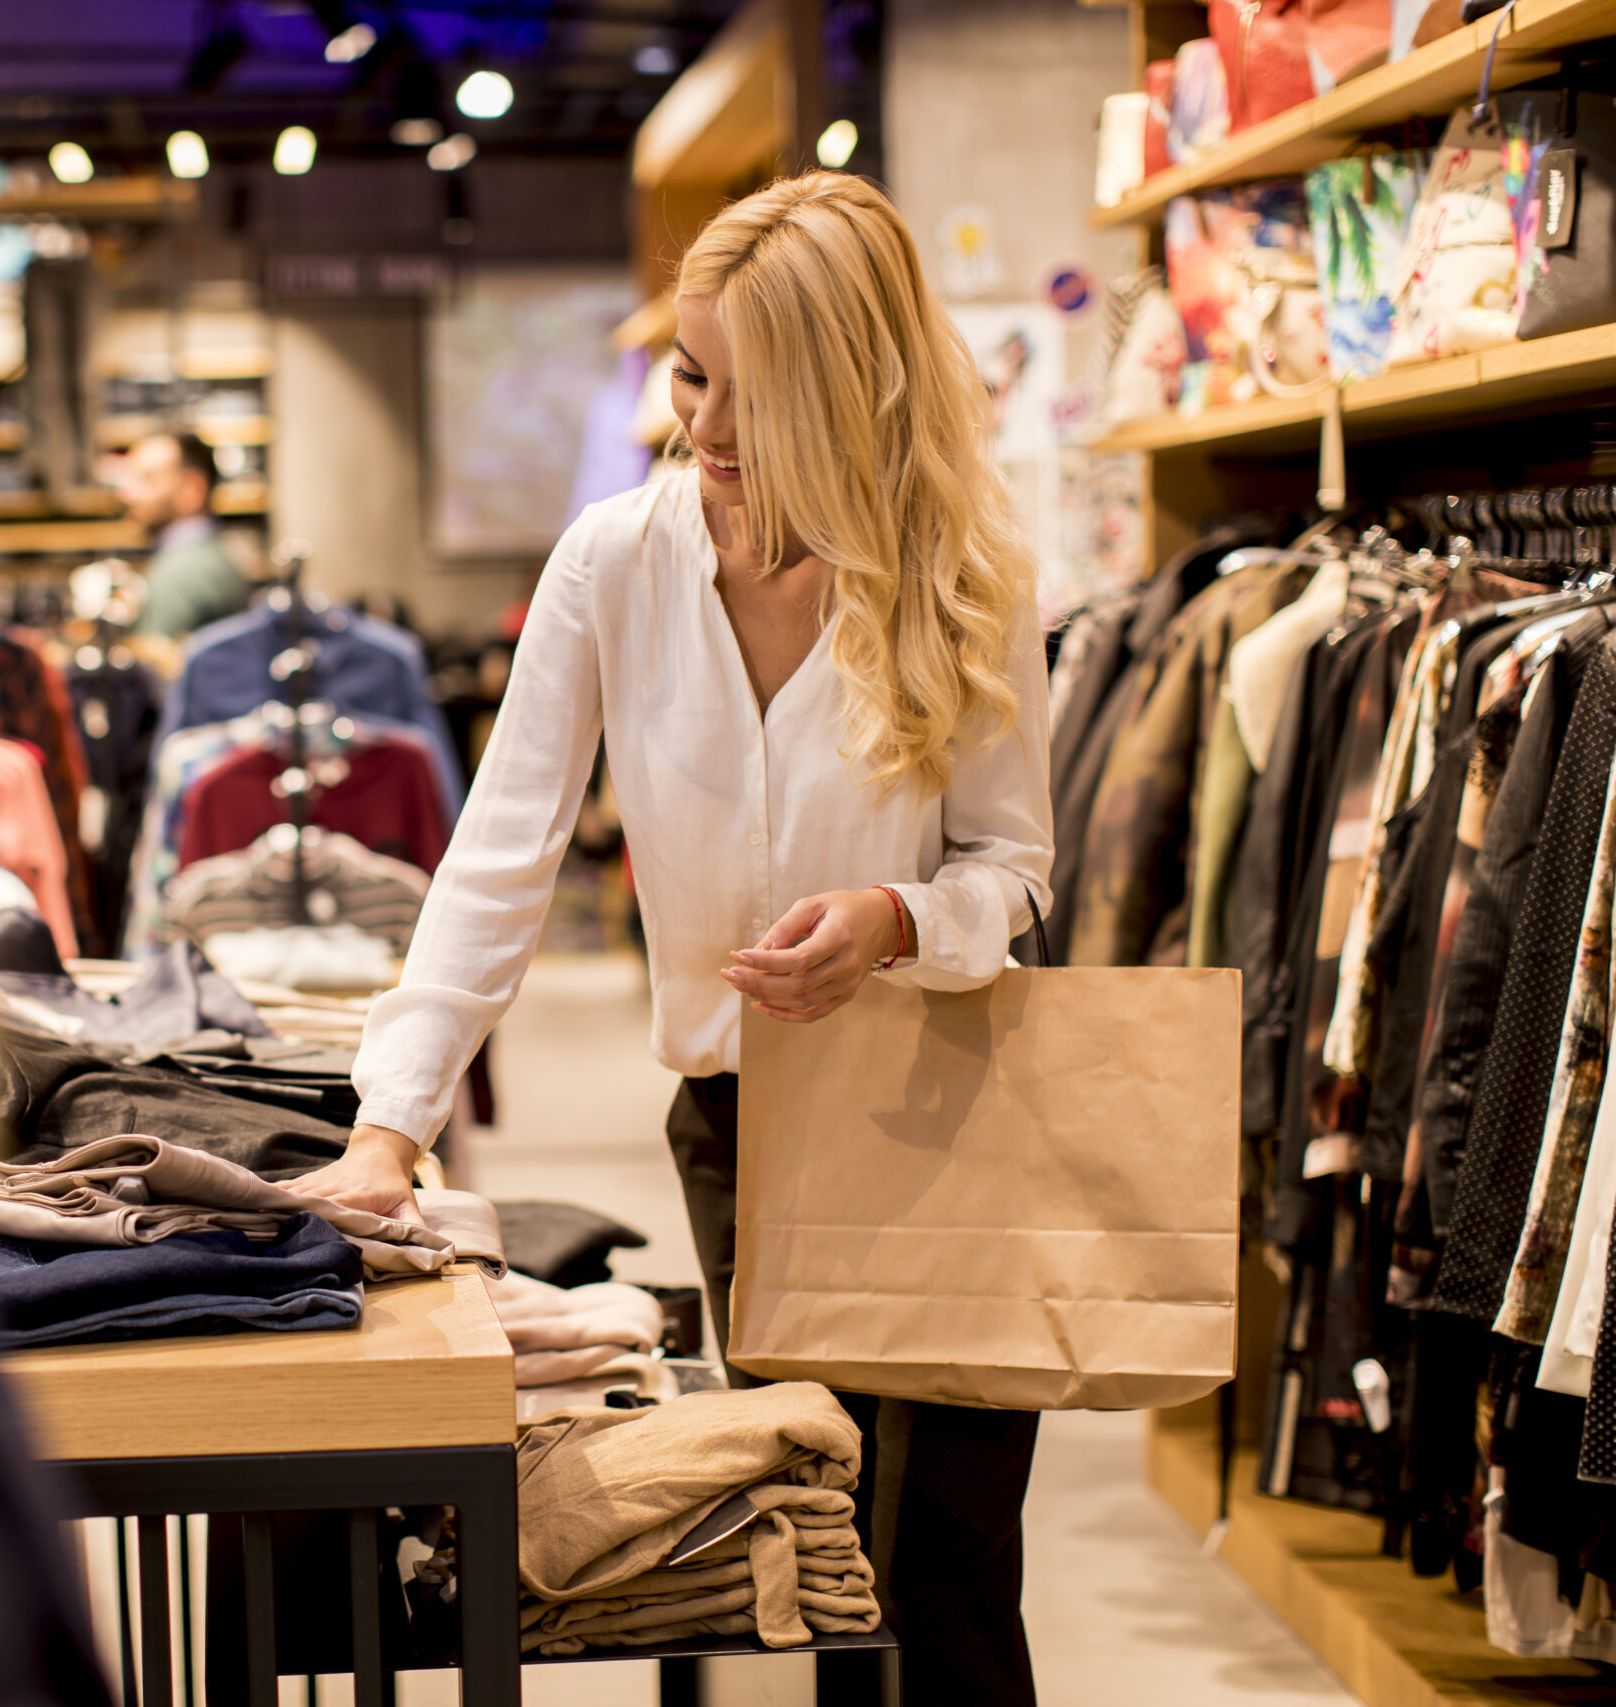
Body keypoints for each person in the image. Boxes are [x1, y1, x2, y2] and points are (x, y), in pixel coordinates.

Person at [295, 171, 1056, 1706]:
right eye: (692, 371)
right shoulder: (616, 561)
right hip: (747, 1126)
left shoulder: (968, 568)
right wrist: (391, 1125)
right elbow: (498, 859)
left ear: (852, 386)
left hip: (952, 1114)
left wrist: (902, 917)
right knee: (807, 1541)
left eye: (749, 390)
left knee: (954, 1582)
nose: (699, 419)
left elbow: (1017, 865)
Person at [117, 430, 250, 639]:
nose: (126, 494)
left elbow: (155, 667)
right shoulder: (211, 555)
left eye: (147, 479)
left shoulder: (180, 575)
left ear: (192, 489)